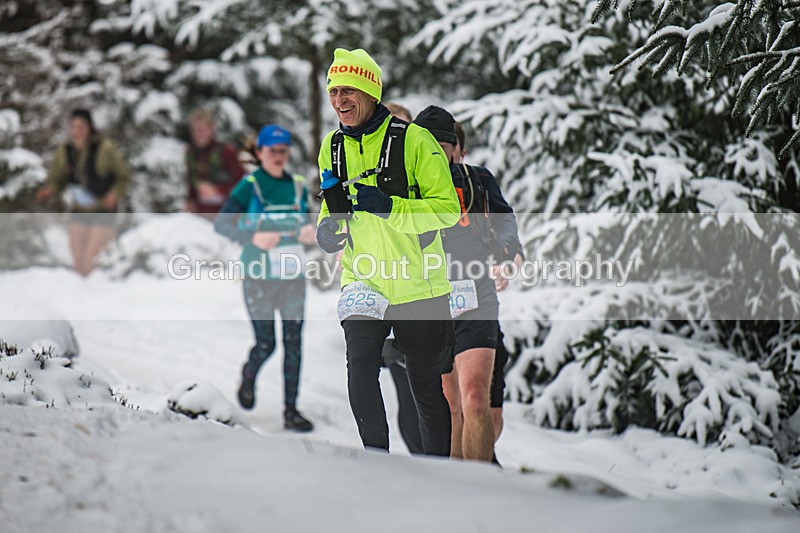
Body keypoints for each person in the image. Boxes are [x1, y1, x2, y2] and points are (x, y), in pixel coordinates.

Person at [315, 48, 460, 456]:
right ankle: (376, 465)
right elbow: (331, 205)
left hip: (420, 282)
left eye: (349, 91)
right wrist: (327, 228)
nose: (340, 100)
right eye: (334, 91)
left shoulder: (416, 141)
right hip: (364, 278)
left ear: (371, 91)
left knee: (425, 390)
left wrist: (391, 206)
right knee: (360, 370)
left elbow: (447, 210)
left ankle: (439, 473)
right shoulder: (333, 145)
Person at [413, 106, 522, 462]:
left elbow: (504, 218)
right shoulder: (407, 186)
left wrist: (509, 252)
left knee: (475, 398)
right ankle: (460, 489)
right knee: (452, 407)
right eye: (423, 147)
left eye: (439, 148)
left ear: (453, 148)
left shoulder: (476, 180)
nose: (431, 156)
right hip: (429, 302)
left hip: (476, 296)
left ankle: (482, 485)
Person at [214, 124, 317, 432]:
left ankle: (291, 410)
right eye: (272, 151)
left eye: (283, 151)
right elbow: (222, 224)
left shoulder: (297, 187)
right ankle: (249, 374)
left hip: (292, 277)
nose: (278, 156)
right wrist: (254, 237)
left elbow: (311, 226)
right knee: (267, 343)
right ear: (259, 154)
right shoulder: (250, 186)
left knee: (293, 342)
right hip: (257, 276)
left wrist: (310, 233)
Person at [36, 108, 130, 277]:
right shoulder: (65, 150)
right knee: (78, 264)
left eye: (80, 126)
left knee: (90, 262)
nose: (76, 131)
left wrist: (114, 194)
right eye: (73, 126)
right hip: (79, 210)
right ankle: (80, 298)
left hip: (102, 210)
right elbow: (57, 179)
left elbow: (123, 177)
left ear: (89, 127)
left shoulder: (104, 148)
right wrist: (50, 189)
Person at [185, 108, 245, 219]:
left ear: (211, 129)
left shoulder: (226, 152)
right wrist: (190, 200)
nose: (199, 134)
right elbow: (191, 181)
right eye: (195, 130)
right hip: (201, 216)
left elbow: (244, 183)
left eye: (202, 129)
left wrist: (218, 191)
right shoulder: (191, 153)